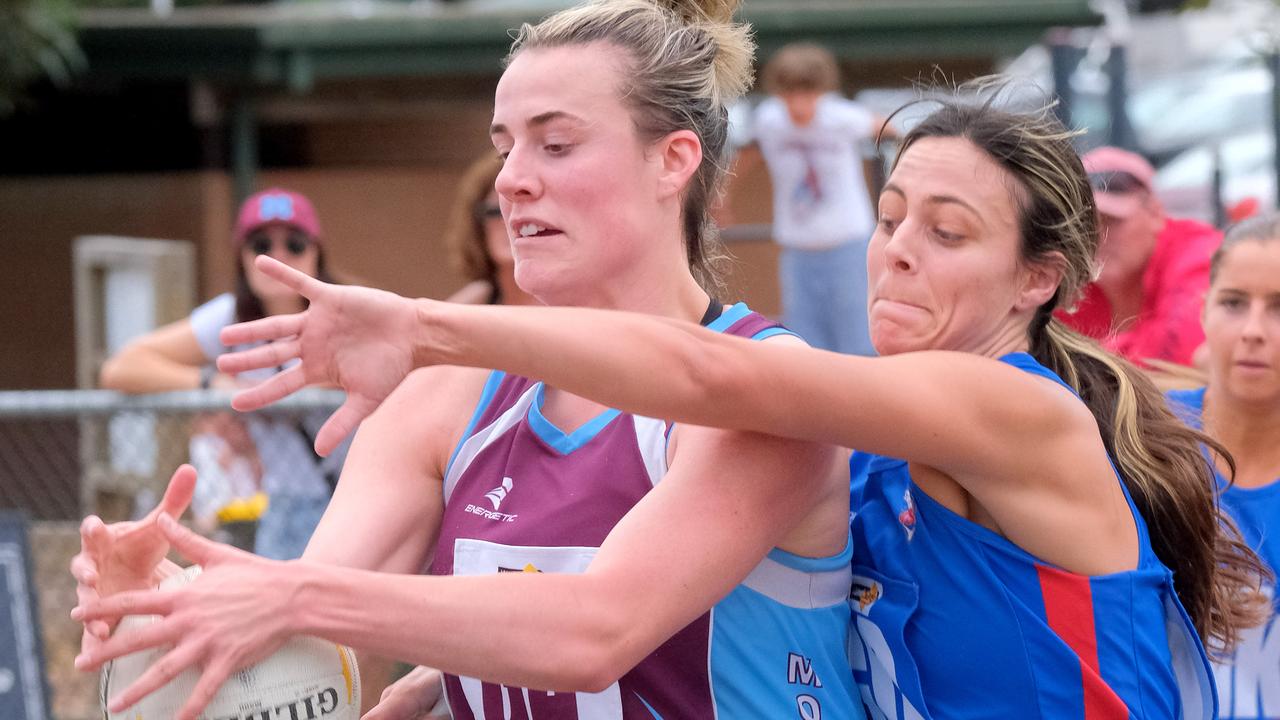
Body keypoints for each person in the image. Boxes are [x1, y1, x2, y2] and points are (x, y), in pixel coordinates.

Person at [197, 92, 1266, 718]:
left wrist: (428, 329)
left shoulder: (1007, 408)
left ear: (1034, 281)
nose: (894, 250)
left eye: (945, 233)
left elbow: (717, 373)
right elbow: (704, 588)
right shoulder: (879, 431)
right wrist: (444, 673)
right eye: (890, 216)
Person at [71, 3, 861, 720]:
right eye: (504, 147)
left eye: (555, 144)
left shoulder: (772, 392)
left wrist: (290, 595)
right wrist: (164, 612)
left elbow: (593, 634)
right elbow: (313, 653)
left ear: (673, 161)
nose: (513, 180)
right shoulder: (445, 400)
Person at [97, 187, 348, 561]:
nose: (278, 257)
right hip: (287, 507)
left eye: (294, 244)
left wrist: (281, 391)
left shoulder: (346, 306)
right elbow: (121, 368)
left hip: (358, 496)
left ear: (316, 252)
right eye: (262, 244)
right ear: (243, 258)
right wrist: (213, 384)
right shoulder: (232, 317)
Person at [1167, 213, 1280, 719]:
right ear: (1204, 309)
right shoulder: (1145, 445)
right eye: (1234, 303)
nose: (1255, 331)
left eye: (1279, 308)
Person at [720, 42, 891, 356]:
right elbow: (747, 157)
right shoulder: (770, 121)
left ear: (822, 91)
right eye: (790, 95)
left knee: (858, 336)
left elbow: (888, 128)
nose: (799, 105)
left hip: (848, 244)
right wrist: (724, 198)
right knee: (806, 341)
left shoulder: (840, 117)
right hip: (798, 248)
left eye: (808, 94)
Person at [1058, 146, 1222, 367]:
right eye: (1086, 224)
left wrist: (1089, 360)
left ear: (1154, 213)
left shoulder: (1197, 253)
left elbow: (1180, 352)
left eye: (1112, 221)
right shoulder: (1069, 275)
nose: (1098, 236)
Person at [444, 153, 539, 307]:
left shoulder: (583, 304)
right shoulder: (471, 305)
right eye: (497, 211)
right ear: (477, 225)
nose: (512, 220)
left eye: (527, 209)